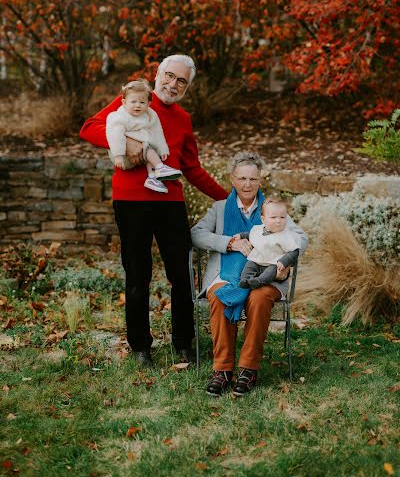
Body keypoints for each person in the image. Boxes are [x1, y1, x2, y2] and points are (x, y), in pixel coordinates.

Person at [80, 54, 228, 367]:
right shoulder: (133, 102)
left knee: (182, 275)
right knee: (138, 275)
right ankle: (140, 346)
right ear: (157, 74)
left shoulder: (184, 119)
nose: (173, 84)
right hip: (131, 201)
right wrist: (127, 145)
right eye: (169, 76)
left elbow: (192, 168)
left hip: (170, 203)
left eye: (181, 81)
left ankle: (183, 343)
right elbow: (89, 127)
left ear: (186, 88)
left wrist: (228, 198)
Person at [191, 151, 308, 397]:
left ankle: (248, 369)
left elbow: (300, 237)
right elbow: (196, 234)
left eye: (253, 179)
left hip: (267, 274)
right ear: (232, 180)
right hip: (226, 272)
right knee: (220, 295)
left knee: (258, 298)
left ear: (260, 181)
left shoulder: (271, 210)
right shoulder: (220, 208)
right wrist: (229, 243)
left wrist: (285, 258)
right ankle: (222, 370)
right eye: (242, 178)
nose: (247, 184)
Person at [106, 78, 182, 193]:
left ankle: (152, 177)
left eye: (142, 102)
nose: (138, 105)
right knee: (148, 146)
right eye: (133, 102)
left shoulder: (149, 115)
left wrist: (162, 149)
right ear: (124, 102)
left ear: (148, 104)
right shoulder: (120, 116)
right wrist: (118, 155)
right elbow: (115, 135)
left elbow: (157, 131)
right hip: (123, 156)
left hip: (141, 154)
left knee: (151, 144)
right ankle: (160, 167)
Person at [239, 197, 301, 290]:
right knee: (249, 266)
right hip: (257, 260)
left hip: (273, 263)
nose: (278, 220)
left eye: (282, 217)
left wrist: (284, 261)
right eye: (273, 217)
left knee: (270, 272)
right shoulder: (258, 229)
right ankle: (245, 280)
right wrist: (241, 236)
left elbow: (294, 251)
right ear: (263, 219)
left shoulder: (285, 235)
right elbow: (251, 235)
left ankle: (258, 281)